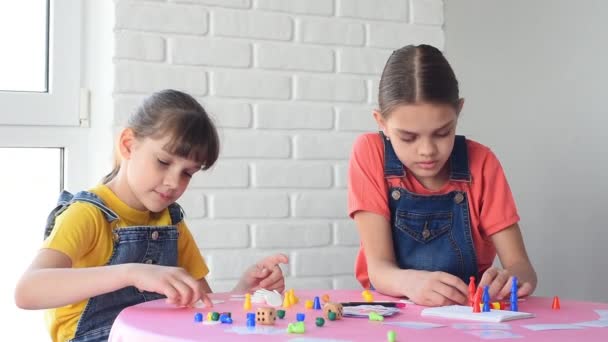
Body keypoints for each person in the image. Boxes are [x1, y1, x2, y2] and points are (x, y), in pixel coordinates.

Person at [14, 89, 289, 342]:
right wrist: (131, 273)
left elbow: (202, 304)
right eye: (163, 162)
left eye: (187, 173)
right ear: (128, 144)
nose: (173, 182)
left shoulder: (171, 222)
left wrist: (242, 292)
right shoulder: (87, 215)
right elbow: (27, 291)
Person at [348, 45, 537, 307]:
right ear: (381, 123)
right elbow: (379, 270)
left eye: (442, 133)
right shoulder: (371, 153)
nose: (427, 151)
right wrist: (411, 283)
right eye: (408, 137)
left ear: (458, 111)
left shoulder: (481, 162)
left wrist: (510, 280)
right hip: (391, 314)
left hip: (466, 317)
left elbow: (521, 267)